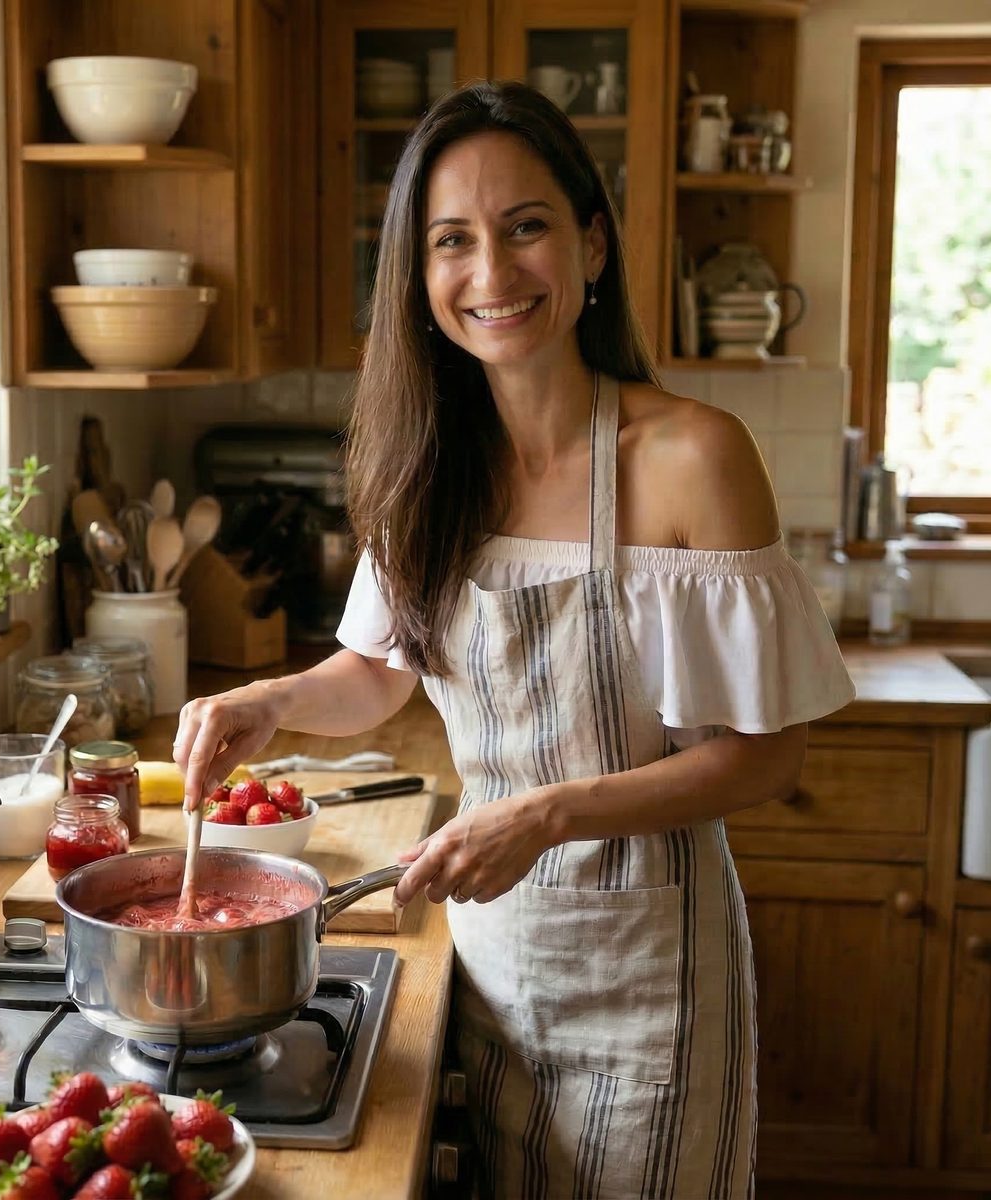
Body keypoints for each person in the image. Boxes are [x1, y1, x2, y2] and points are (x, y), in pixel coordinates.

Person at [174, 80, 855, 1199]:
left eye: (525, 227)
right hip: (488, 969)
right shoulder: (420, 464)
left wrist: (549, 813)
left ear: (591, 245)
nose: (490, 274)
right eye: (452, 241)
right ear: (419, 274)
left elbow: (767, 755)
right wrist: (271, 699)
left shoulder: (693, 457)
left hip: (652, 992)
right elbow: (378, 673)